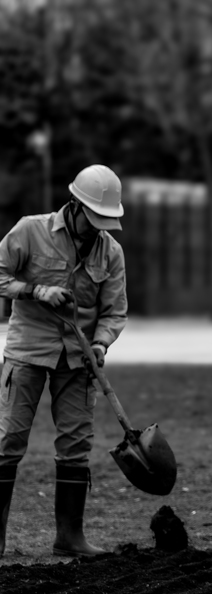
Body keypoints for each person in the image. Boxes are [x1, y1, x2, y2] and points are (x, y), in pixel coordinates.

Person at [0, 164, 128, 558]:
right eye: (92, 219)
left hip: (78, 359)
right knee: (9, 441)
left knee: (76, 446)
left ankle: (69, 537)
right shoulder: (29, 230)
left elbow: (114, 312)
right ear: (74, 204)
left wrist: (103, 344)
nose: (96, 228)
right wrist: (36, 290)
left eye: (103, 221)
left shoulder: (111, 251)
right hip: (28, 351)